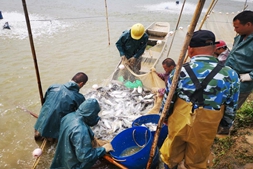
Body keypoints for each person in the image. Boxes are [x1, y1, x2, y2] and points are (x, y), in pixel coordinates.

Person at [160, 30, 240, 169]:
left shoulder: (179, 71)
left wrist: (164, 117)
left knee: (171, 154)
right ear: (214, 49)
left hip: (180, 121)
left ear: (190, 50)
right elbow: (231, 107)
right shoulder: (231, 75)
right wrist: (225, 125)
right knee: (198, 159)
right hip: (207, 124)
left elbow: (168, 100)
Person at [50, 98, 114, 169]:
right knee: (91, 157)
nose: (97, 117)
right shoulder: (81, 130)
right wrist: (103, 149)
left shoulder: (69, 116)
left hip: (62, 157)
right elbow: (85, 157)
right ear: (90, 114)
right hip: (73, 166)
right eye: (95, 114)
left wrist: (92, 139)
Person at [34, 72, 88, 142]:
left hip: (38, 128)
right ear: (81, 84)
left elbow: (44, 102)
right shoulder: (79, 97)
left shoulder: (53, 87)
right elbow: (81, 116)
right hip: (54, 134)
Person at [225, 10, 253, 110]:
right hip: (227, 79)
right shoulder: (240, 37)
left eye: (237, 27)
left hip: (242, 83)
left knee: (230, 110)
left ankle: (226, 125)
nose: (235, 30)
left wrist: (250, 76)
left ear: (248, 24)